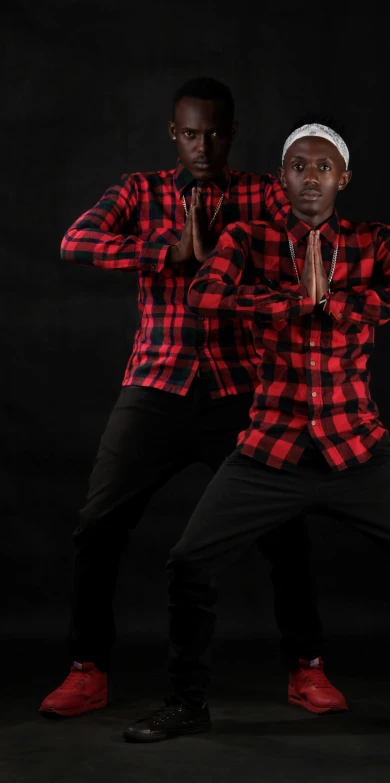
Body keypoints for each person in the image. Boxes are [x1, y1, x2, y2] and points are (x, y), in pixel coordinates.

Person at [123, 119, 390, 745]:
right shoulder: (249, 236)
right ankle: (186, 702)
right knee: (189, 562)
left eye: (322, 167)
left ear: (342, 178)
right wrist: (295, 302)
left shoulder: (373, 240)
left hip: (356, 445)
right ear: (282, 177)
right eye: (298, 166)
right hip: (270, 445)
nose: (309, 178)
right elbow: (204, 295)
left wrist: (343, 304)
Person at [39, 81, 347, 719]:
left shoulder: (263, 192)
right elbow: (76, 241)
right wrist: (166, 252)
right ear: (171, 134)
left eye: (214, 133)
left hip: (240, 387)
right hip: (157, 383)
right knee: (98, 525)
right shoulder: (139, 191)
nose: (202, 145)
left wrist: (236, 255)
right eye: (189, 134)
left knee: (285, 529)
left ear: (232, 133)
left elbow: (311, 243)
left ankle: (307, 667)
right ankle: (86, 668)